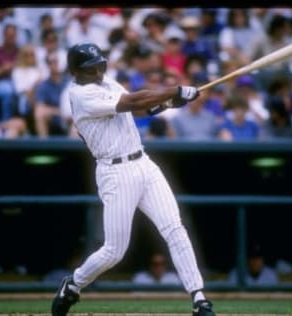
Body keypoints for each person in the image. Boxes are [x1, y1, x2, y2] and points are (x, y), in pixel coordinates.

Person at [51, 42, 215, 316]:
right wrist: (174, 90)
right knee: (115, 250)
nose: (99, 70)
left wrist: (174, 101)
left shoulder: (108, 83)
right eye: (93, 67)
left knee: (175, 229)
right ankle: (73, 284)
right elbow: (132, 102)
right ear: (77, 70)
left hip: (143, 163)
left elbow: (141, 110)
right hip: (115, 172)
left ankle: (199, 299)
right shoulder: (81, 95)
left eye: (100, 64)